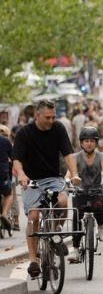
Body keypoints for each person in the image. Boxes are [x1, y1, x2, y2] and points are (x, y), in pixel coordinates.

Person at [11, 99, 80, 279]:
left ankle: (55, 232)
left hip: (53, 178)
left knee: (63, 202)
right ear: (37, 115)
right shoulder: (24, 133)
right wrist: (22, 174)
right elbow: (17, 159)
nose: (51, 121)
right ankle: (34, 260)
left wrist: (74, 174)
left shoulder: (58, 129)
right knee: (33, 216)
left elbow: (68, 154)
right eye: (47, 117)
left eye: (53, 117)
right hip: (31, 180)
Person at [66, 127, 103, 261]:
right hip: (79, 191)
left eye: (92, 141)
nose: (89, 143)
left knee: (98, 206)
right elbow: (69, 174)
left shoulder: (101, 157)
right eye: (86, 141)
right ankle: (75, 250)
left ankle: (100, 226)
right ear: (81, 143)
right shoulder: (75, 157)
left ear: (96, 142)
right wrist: (68, 182)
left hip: (96, 190)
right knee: (76, 215)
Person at [0, 124, 13, 231]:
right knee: (8, 195)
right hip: (2, 173)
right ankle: (4, 214)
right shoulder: (5, 141)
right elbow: (13, 157)